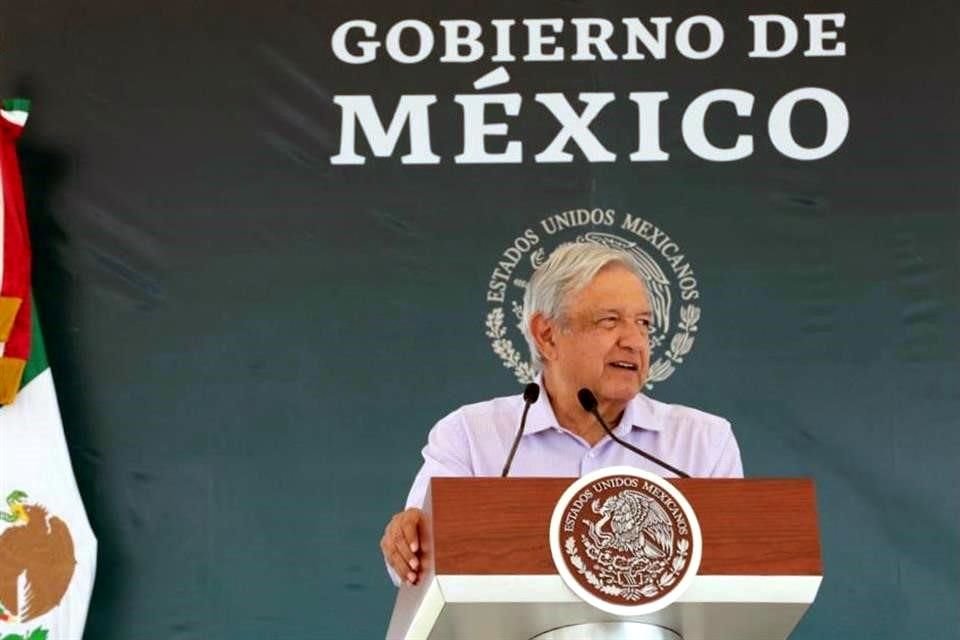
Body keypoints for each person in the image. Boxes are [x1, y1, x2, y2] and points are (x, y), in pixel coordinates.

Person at [380, 242, 742, 586]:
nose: (634, 341)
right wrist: (408, 541)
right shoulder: (471, 436)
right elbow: (416, 565)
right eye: (610, 321)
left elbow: (736, 578)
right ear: (547, 335)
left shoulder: (703, 442)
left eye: (644, 323)